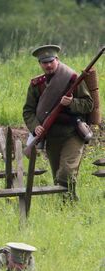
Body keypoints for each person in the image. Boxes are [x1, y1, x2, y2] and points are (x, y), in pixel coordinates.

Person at [22, 45, 93, 200]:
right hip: (51, 136)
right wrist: (36, 127)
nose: (48, 65)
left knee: (66, 173)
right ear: (40, 64)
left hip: (73, 133)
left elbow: (88, 104)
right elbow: (28, 111)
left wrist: (72, 103)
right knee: (58, 180)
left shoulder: (72, 79)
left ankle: (69, 205)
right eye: (44, 62)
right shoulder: (36, 85)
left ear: (57, 60)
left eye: (50, 61)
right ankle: (68, 207)